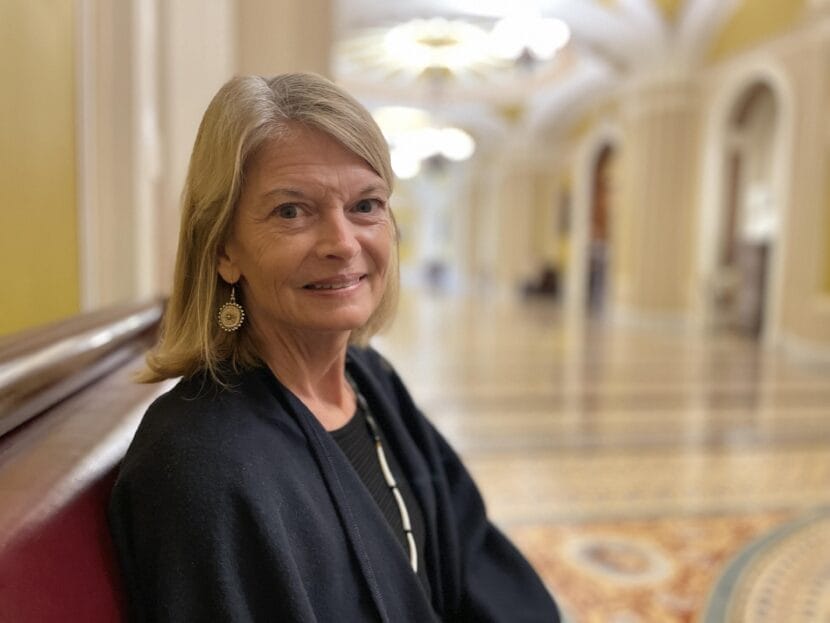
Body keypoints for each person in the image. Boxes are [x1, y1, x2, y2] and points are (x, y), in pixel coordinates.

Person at [108, 73, 560, 623]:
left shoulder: (371, 382)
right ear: (225, 249)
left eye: (366, 205)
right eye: (291, 211)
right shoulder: (198, 462)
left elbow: (475, 569)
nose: (342, 244)